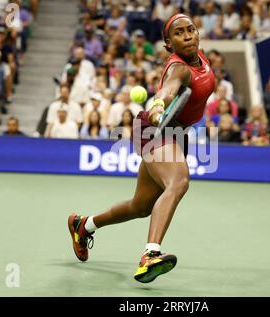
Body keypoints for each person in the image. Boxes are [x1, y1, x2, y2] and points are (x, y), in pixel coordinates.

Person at [67, 13, 216, 283]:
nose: (187, 36)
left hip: (176, 133)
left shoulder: (200, 58)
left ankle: (83, 225)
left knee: (140, 206)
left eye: (190, 30)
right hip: (155, 128)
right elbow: (168, 89)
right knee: (179, 181)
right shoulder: (179, 68)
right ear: (169, 44)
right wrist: (158, 106)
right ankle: (150, 255)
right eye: (179, 33)